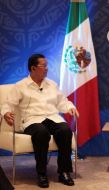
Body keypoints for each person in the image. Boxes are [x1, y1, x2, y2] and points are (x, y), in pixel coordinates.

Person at [1, 54, 79, 188]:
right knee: (42, 133)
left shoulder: (52, 84)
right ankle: (42, 173)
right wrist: (6, 113)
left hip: (52, 117)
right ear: (33, 68)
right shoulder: (20, 86)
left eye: (47, 66)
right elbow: (8, 104)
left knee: (65, 131)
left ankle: (64, 172)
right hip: (32, 120)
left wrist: (71, 107)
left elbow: (62, 102)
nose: (47, 69)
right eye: (44, 66)